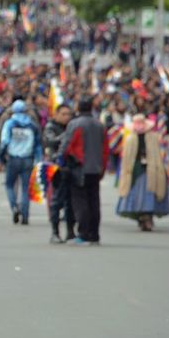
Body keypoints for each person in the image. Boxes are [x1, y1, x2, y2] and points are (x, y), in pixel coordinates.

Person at [58, 96, 109, 245]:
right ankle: (94, 234)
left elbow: (66, 146)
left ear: (78, 108)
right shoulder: (99, 125)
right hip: (96, 168)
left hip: (80, 167)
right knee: (94, 202)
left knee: (80, 202)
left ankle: (83, 234)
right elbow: (105, 148)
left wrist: (60, 161)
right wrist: (103, 168)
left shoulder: (75, 124)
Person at [116, 114, 169, 231]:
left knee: (150, 192)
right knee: (136, 194)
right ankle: (141, 216)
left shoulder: (154, 137)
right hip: (135, 170)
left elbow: (161, 153)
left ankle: (147, 216)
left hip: (151, 169)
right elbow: (126, 156)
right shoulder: (131, 138)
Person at [0, 100, 43, 225]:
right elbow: (38, 145)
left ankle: (14, 207)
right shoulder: (32, 125)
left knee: (9, 185)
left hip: (13, 159)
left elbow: (4, 141)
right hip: (28, 159)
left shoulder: (9, 123)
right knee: (25, 188)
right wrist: (38, 160)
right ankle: (25, 215)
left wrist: (0, 157)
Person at [43, 104, 76, 243]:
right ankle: (55, 232)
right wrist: (67, 134)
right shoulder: (51, 127)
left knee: (71, 202)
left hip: (71, 167)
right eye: (63, 114)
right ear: (56, 114)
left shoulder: (72, 127)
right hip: (56, 168)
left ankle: (70, 232)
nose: (66, 117)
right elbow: (51, 141)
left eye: (68, 114)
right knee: (56, 201)